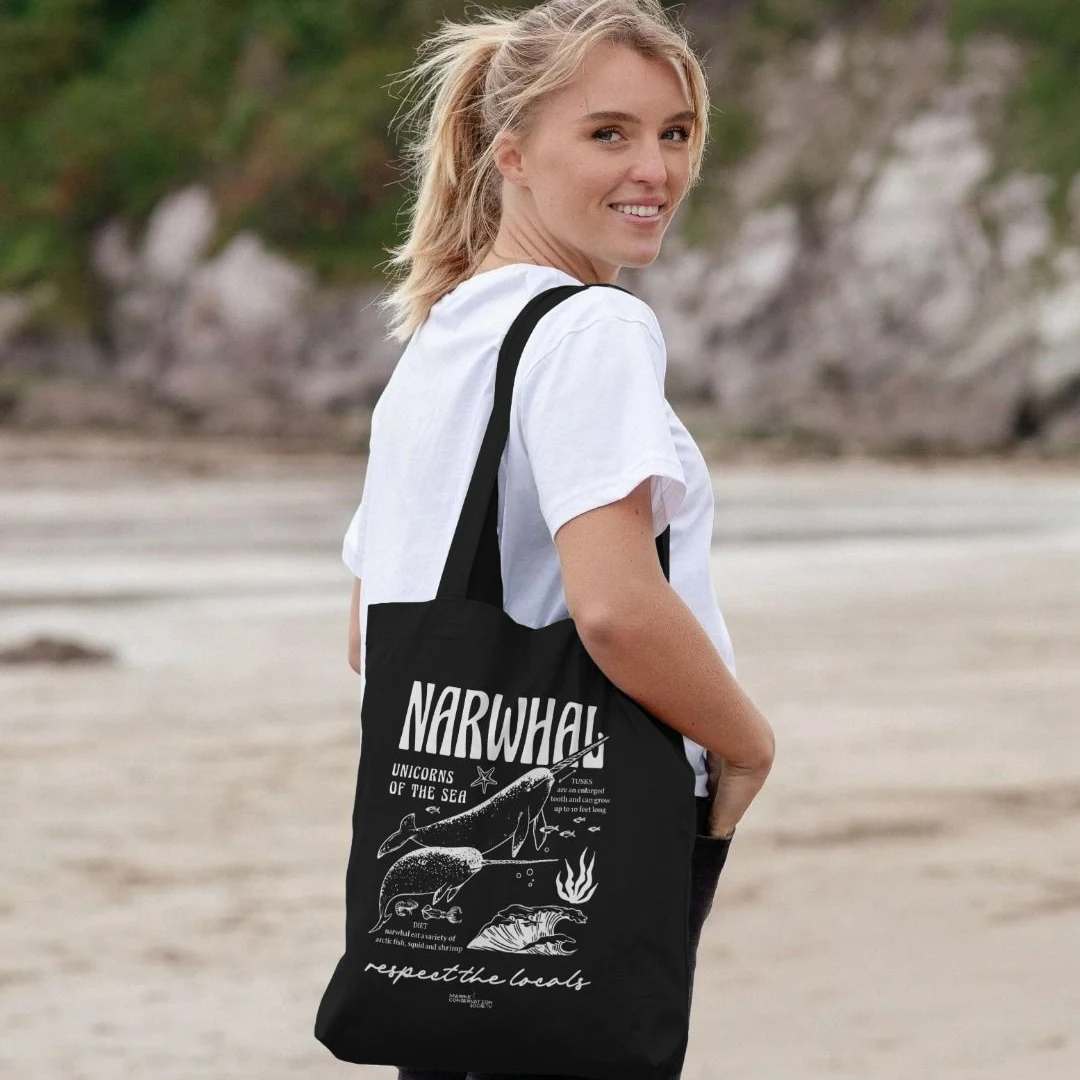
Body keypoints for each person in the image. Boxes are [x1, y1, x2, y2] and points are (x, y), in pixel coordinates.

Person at [339, 1, 775, 1077]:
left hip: (429, 851)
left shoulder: (441, 340)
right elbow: (616, 608)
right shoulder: (594, 328)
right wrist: (745, 743)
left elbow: (367, 632)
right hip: (596, 822)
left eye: (676, 133)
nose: (655, 170)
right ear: (513, 155)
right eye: (609, 133)